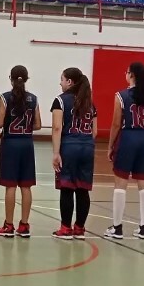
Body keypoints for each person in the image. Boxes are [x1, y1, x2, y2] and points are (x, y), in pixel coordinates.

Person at [106, 62, 144, 241]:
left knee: (120, 184)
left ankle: (117, 228)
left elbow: (116, 124)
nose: (125, 74)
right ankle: (143, 228)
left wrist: (111, 145)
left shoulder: (121, 95)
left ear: (132, 75)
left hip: (127, 138)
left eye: (127, 72)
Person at [0, 65, 40, 239]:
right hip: (27, 143)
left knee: (10, 185)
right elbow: (38, 125)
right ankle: (24, 225)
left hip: (10, 143)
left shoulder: (5, 98)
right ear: (26, 79)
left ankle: (8, 225)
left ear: (10, 78)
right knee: (26, 186)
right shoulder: (33, 99)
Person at [51, 68, 95, 240]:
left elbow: (56, 127)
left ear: (69, 82)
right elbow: (95, 131)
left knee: (67, 188)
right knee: (83, 189)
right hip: (87, 146)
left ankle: (65, 228)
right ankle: (80, 228)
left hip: (70, 146)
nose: (60, 83)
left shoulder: (60, 101)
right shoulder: (90, 103)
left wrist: (56, 152)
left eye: (61, 79)